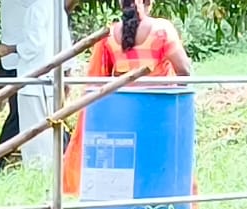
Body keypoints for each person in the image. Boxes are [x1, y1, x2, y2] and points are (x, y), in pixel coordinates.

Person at [63, 0, 194, 195]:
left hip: (123, 115)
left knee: (130, 171)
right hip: (159, 112)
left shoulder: (110, 36)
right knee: (159, 168)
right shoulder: (162, 30)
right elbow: (185, 71)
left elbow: (99, 80)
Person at [0, 0, 72, 168]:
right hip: (53, 78)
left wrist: (11, 49)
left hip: (32, 80)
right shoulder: (55, 6)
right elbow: (66, 42)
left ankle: (37, 171)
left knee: (34, 136)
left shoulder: (35, 8)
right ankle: (53, 171)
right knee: (50, 129)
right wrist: (68, 70)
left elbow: (33, 46)